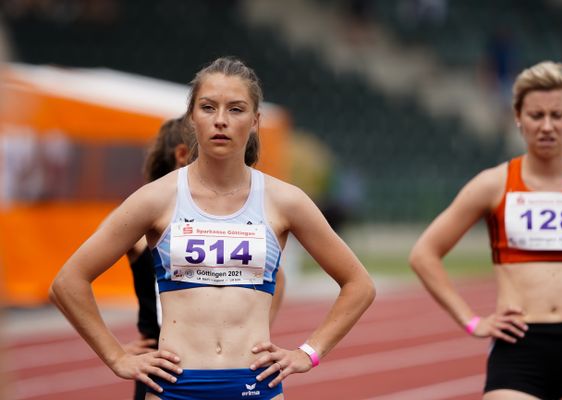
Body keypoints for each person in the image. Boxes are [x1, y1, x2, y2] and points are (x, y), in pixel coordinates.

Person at [49, 56, 375, 399]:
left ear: (255, 121)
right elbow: (68, 282)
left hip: (255, 387)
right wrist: (115, 357)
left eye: (236, 109)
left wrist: (309, 352)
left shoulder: (285, 201)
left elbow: (359, 285)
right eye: (208, 107)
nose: (221, 120)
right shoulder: (155, 199)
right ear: (192, 118)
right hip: (176, 387)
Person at [409, 60, 562, 400]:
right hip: (520, 346)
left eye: (557, 115)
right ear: (517, 116)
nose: (546, 126)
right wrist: (471, 321)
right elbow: (424, 254)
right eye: (535, 115)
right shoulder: (493, 184)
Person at [124, 116, 287, 400]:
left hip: (234, 373)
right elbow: (71, 280)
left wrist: (253, 332)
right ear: (183, 155)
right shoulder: (147, 218)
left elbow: (277, 277)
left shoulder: (233, 216)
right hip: (163, 369)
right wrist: (117, 355)